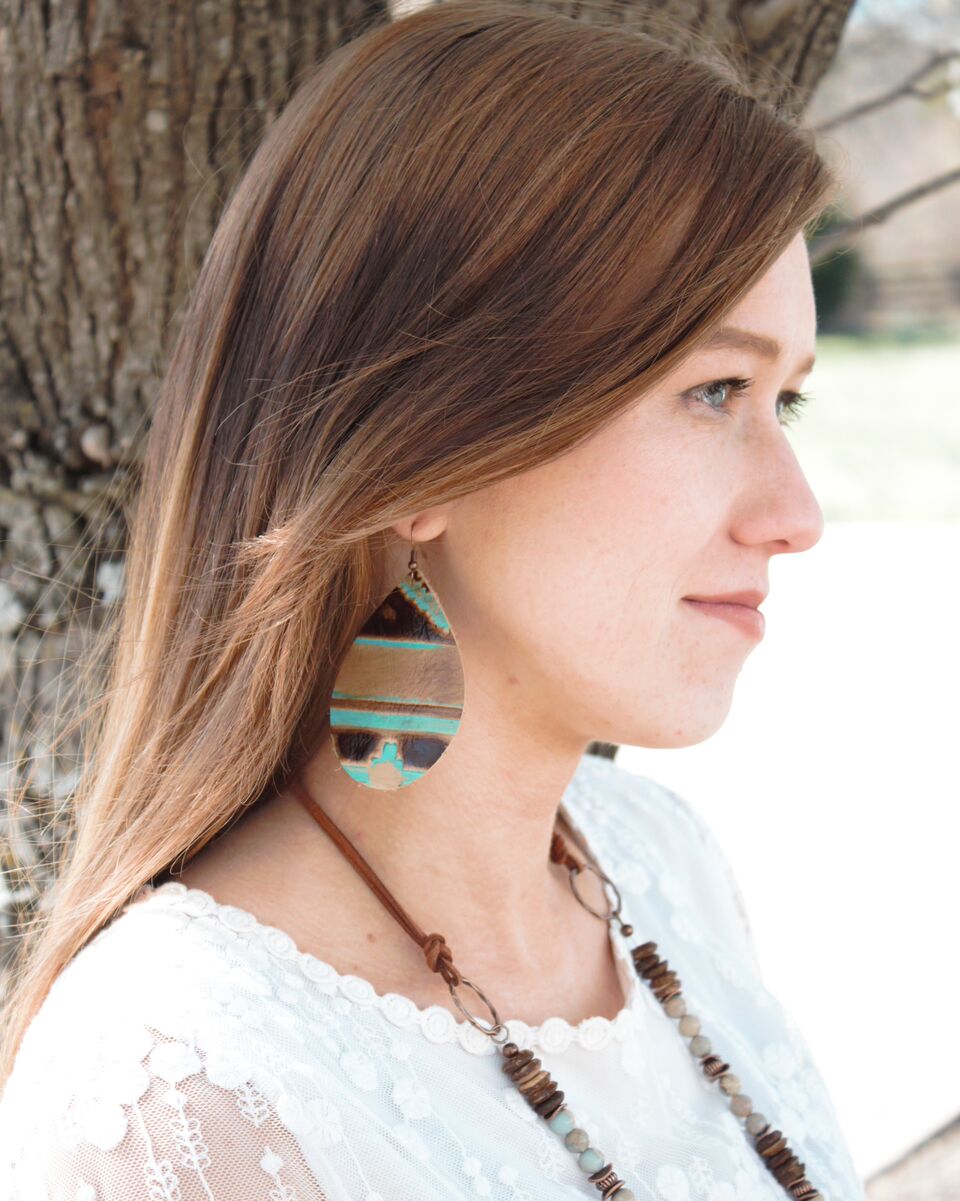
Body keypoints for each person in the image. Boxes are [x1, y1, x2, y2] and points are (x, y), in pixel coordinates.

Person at [0, 2, 865, 1198]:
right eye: (715, 390)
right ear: (425, 452)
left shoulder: (662, 863)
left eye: (790, 403)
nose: (796, 512)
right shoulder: (183, 1089)